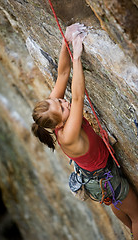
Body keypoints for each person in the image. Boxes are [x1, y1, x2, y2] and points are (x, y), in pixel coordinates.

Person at [31, 23, 138, 239]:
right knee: (137, 215)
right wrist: (77, 56)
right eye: (62, 107)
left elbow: (62, 75)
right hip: (104, 179)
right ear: (58, 124)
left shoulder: (55, 116)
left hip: (100, 179)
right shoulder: (68, 134)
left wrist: (65, 41)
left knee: (118, 202)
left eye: (59, 100)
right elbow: (78, 97)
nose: (64, 102)